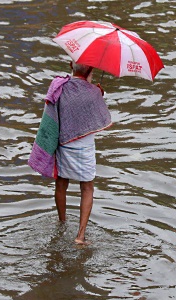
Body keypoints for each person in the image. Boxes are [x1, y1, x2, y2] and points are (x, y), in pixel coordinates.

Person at [28, 62, 112, 245]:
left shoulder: (59, 87)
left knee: (61, 184)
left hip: (64, 144)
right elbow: (99, 117)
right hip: (85, 148)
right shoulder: (94, 93)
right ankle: (80, 236)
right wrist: (99, 94)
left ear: (70, 65)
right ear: (91, 70)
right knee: (87, 188)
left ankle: (62, 222)